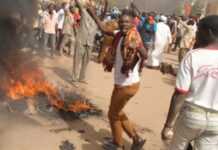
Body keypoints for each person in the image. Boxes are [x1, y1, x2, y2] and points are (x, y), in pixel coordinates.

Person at [89, 6, 147, 150]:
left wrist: (138, 47)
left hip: (127, 85)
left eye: (126, 22)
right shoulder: (119, 35)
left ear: (132, 23)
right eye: (121, 22)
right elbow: (103, 29)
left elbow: (144, 54)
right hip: (122, 83)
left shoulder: (133, 36)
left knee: (113, 114)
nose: (123, 25)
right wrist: (92, 13)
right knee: (117, 111)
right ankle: (136, 139)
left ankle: (118, 144)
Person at [162, 15, 218, 150]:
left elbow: (180, 94)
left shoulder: (193, 56)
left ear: (209, 33)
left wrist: (168, 126)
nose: (196, 34)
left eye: (199, 31)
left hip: (192, 115)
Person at [71, 0, 98, 85]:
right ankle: (74, 79)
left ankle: (81, 78)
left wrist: (106, 4)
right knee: (77, 61)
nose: (93, 9)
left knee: (85, 62)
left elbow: (103, 13)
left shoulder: (97, 20)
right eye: (92, 8)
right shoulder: (84, 13)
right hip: (81, 41)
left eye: (94, 9)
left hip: (89, 43)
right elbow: (79, 4)